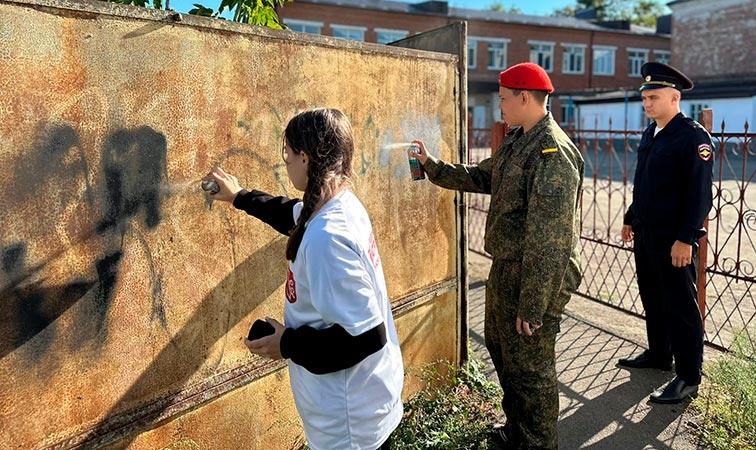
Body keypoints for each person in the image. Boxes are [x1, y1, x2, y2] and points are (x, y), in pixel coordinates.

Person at [203, 108, 403, 449]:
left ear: (305, 158)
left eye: (289, 155)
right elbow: (291, 214)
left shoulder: (328, 237)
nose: (287, 164)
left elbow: (367, 337)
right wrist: (239, 196)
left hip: (350, 423)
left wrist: (287, 344)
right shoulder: (339, 204)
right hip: (358, 406)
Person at [412, 62, 583, 450]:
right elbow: (484, 176)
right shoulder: (518, 138)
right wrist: (431, 167)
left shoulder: (551, 153)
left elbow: (549, 243)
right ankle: (517, 432)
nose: (499, 107)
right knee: (502, 351)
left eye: (504, 99)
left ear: (525, 97)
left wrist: (533, 306)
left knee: (531, 371)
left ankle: (538, 443)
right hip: (509, 267)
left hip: (537, 275)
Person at [617, 62, 713, 404]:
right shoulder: (651, 132)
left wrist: (687, 237)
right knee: (652, 297)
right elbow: (644, 181)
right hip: (647, 232)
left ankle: (688, 376)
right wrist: (631, 215)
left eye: (653, 97)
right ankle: (659, 355)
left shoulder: (692, 137)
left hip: (675, 239)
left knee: (680, 306)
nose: (646, 103)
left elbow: (700, 193)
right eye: (644, 97)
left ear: (675, 98)